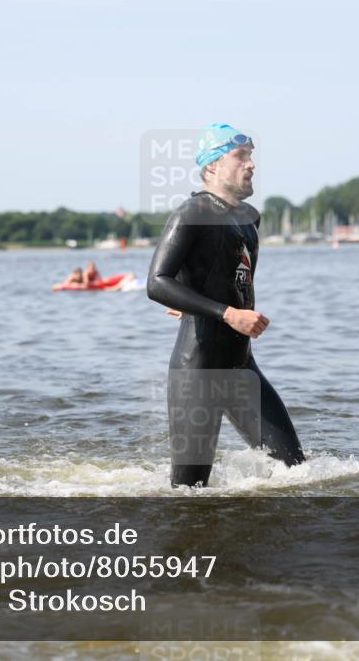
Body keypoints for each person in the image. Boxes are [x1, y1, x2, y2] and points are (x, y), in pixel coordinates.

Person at [146, 124, 305, 487]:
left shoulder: (249, 218)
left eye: (251, 157)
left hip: (241, 367)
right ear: (212, 166)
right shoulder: (192, 212)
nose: (251, 165)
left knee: (296, 472)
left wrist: (193, 299)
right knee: (189, 492)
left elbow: (227, 274)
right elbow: (157, 282)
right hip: (198, 370)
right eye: (240, 157)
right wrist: (227, 313)